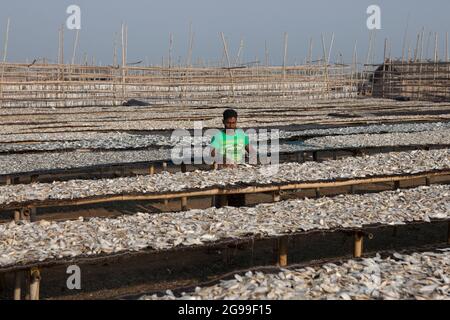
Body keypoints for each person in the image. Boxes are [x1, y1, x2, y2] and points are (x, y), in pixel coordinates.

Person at [210, 108, 252, 207]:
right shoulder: (218, 136)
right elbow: (212, 153)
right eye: (228, 123)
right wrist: (224, 158)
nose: (231, 126)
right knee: (221, 204)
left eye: (233, 123)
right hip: (223, 172)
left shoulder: (242, 135)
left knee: (238, 202)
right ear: (223, 122)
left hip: (239, 172)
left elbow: (250, 149)